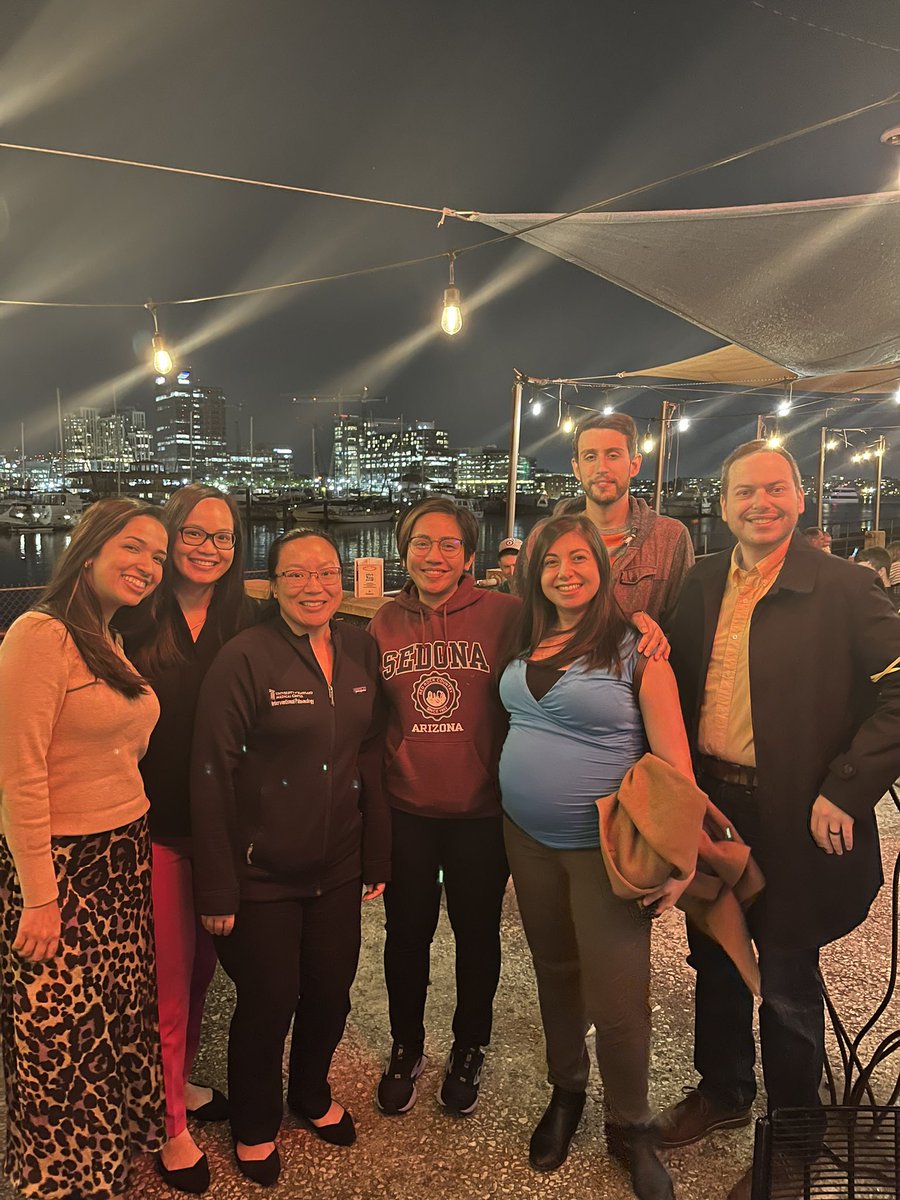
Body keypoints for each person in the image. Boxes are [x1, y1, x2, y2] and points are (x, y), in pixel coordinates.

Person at [659, 441, 900, 1200]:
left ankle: (795, 1134)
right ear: (723, 504)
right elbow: (664, 675)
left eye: (774, 489)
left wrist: (847, 788)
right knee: (715, 959)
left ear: (800, 499)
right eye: (743, 492)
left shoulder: (845, 586)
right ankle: (725, 1091)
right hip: (715, 806)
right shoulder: (698, 582)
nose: (758, 504)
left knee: (789, 976)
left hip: (795, 809)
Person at [499, 514, 695, 1200]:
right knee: (553, 970)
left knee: (619, 1000)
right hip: (525, 839)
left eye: (579, 560)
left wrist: (683, 858)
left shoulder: (637, 649)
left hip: (603, 850)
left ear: (603, 568)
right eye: (551, 562)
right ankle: (567, 1090)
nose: (565, 573)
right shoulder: (524, 636)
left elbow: (675, 763)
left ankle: (632, 1124)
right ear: (535, 572)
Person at [191, 529, 389, 1188]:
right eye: (295, 574)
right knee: (270, 998)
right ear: (270, 584)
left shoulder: (360, 649)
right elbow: (211, 772)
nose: (314, 586)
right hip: (259, 874)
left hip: (336, 867)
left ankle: (309, 1092)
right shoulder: (246, 658)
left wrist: (375, 850)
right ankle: (254, 1123)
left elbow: (369, 754)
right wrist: (216, 886)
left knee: (331, 992)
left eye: (325, 573)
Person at [0, 498, 169, 1200]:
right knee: (56, 1044)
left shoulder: (106, 636)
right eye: (134, 548)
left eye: (158, 557)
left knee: (112, 1024)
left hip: (121, 855)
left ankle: (109, 1166)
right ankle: (62, 1178)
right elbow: (17, 771)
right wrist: (40, 895)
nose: (149, 567)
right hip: (62, 866)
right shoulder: (38, 636)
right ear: (90, 549)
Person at [117, 484, 256, 1195]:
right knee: (167, 983)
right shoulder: (136, 619)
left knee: (202, 972)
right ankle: (168, 1121)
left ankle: (180, 1081)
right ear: (172, 540)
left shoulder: (245, 617)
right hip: (157, 824)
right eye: (195, 535)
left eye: (223, 537)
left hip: (225, 830)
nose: (208, 548)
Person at [369, 497, 519, 1118]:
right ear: (404, 550)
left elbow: (577, 628)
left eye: (449, 545)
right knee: (405, 936)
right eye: (422, 543)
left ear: (469, 555)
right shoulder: (381, 622)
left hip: (482, 811)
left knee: (477, 937)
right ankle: (407, 1045)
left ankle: (470, 1045)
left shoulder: (508, 614)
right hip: (407, 808)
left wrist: (642, 627)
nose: (434, 556)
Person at [564, 412, 695, 622]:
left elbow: (683, 629)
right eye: (590, 456)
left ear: (634, 464)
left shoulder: (670, 537)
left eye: (613, 455)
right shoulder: (544, 538)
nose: (602, 468)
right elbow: (526, 623)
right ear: (576, 468)